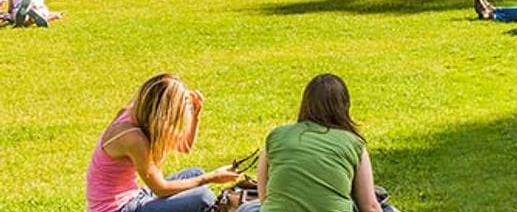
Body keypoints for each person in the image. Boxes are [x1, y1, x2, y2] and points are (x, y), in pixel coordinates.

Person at [86, 74, 240, 212]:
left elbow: (184, 146)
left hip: (134, 195)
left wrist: (195, 115)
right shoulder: (133, 138)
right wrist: (211, 177)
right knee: (204, 197)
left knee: (195, 173)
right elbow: (160, 189)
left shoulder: (139, 115)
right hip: (119, 208)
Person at [238, 74, 392, 212]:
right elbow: (369, 206)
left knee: (247, 208)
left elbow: (266, 200)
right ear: (344, 106)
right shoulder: (354, 143)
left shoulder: (276, 136)